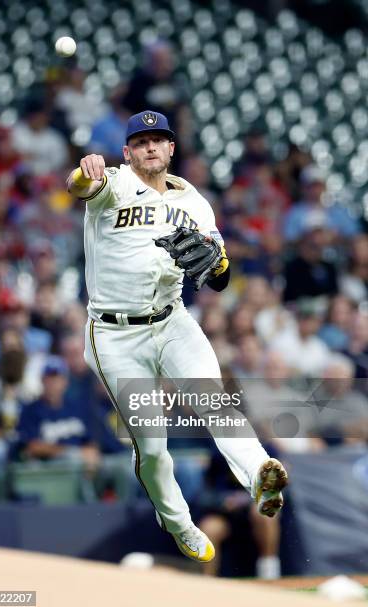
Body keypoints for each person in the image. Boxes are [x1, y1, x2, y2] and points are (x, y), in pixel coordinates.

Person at [66, 109, 287, 563]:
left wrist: (218, 263)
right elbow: (81, 187)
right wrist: (84, 170)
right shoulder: (115, 183)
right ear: (127, 153)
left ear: (171, 148)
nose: (150, 146)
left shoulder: (195, 203)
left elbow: (221, 279)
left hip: (172, 321)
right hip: (114, 335)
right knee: (152, 443)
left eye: (158, 139)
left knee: (214, 401)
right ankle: (179, 523)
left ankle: (259, 474)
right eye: (140, 141)